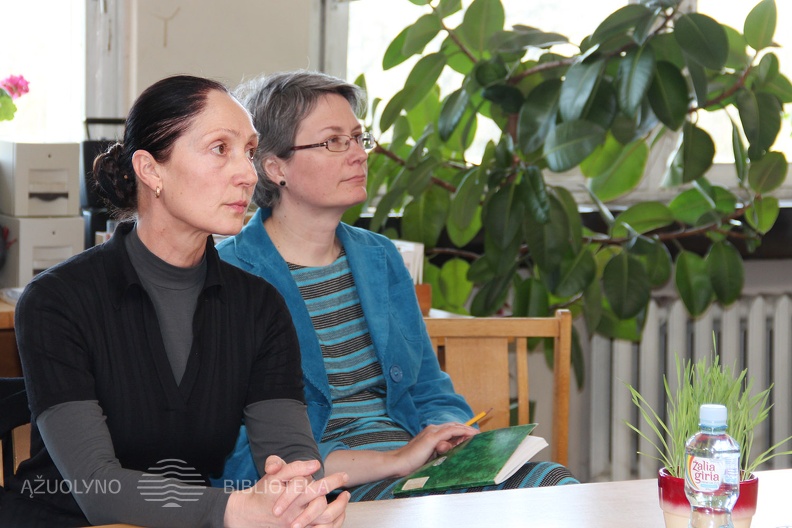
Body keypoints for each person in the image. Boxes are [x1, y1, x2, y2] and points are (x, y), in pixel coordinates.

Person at [0, 75, 348, 527]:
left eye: (248, 151)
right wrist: (231, 509)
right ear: (150, 170)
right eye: (220, 149)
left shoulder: (260, 307)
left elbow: (290, 455)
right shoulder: (57, 301)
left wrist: (301, 499)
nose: (248, 174)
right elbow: (97, 486)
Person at [214, 70, 579, 501]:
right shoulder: (228, 272)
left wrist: (449, 433)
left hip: (415, 465)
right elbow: (239, 449)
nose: (358, 155)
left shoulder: (379, 256)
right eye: (334, 141)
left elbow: (428, 387)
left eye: (358, 138)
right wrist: (394, 460)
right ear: (275, 167)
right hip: (325, 484)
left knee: (556, 486)